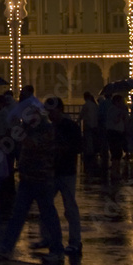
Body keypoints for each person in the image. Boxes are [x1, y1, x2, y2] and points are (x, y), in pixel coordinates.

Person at [0, 100, 64, 262]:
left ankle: (57, 250)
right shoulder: (30, 128)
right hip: (28, 178)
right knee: (18, 214)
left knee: (48, 214)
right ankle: (6, 247)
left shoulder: (46, 130)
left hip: (41, 178)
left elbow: (33, 144)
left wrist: (20, 132)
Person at [41, 97, 82, 255]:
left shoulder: (68, 127)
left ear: (59, 110)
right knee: (48, 205)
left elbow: (77, 147)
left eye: (52, 111)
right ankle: (52, 238)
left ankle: (74, 241)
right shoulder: (54, 127)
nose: (50, 114)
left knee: (68, 208)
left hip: (65, 171)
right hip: (56, 171)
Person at [78, 92, 99, 174]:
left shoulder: (86, 105)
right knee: (93, 139)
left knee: (88, 139)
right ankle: (93, 152)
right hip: (95, 125)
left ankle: (89, 152)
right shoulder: (94, 105)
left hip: (88, 125)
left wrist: (78, 121)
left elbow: (81, 115)